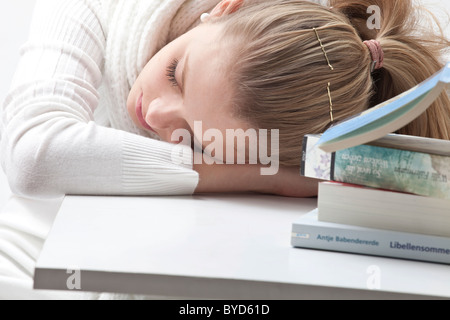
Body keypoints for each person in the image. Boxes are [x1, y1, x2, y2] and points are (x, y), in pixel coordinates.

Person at [0, 0, 448, 299]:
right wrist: (263, 176)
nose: (154, 115)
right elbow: (34, 156)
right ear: (224, 9)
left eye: (197, 141)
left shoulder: (310, 93)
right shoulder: (95, 6)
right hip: (27, 242)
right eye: (176, 74)